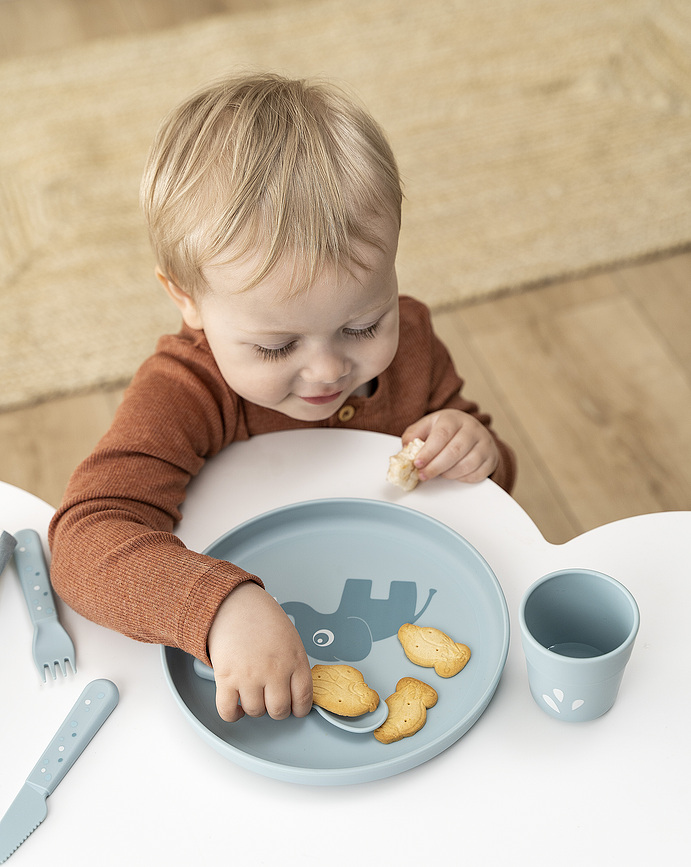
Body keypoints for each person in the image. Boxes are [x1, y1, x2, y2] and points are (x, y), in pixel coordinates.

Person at [49, 73, 515, 725]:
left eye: (363, 326)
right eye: (275, 346)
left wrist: (473, 446)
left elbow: (494, 493)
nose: (327, 370)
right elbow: (84, 540)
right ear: (186, 299)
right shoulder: (185, 390)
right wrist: (217, 607)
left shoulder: (411, 342)